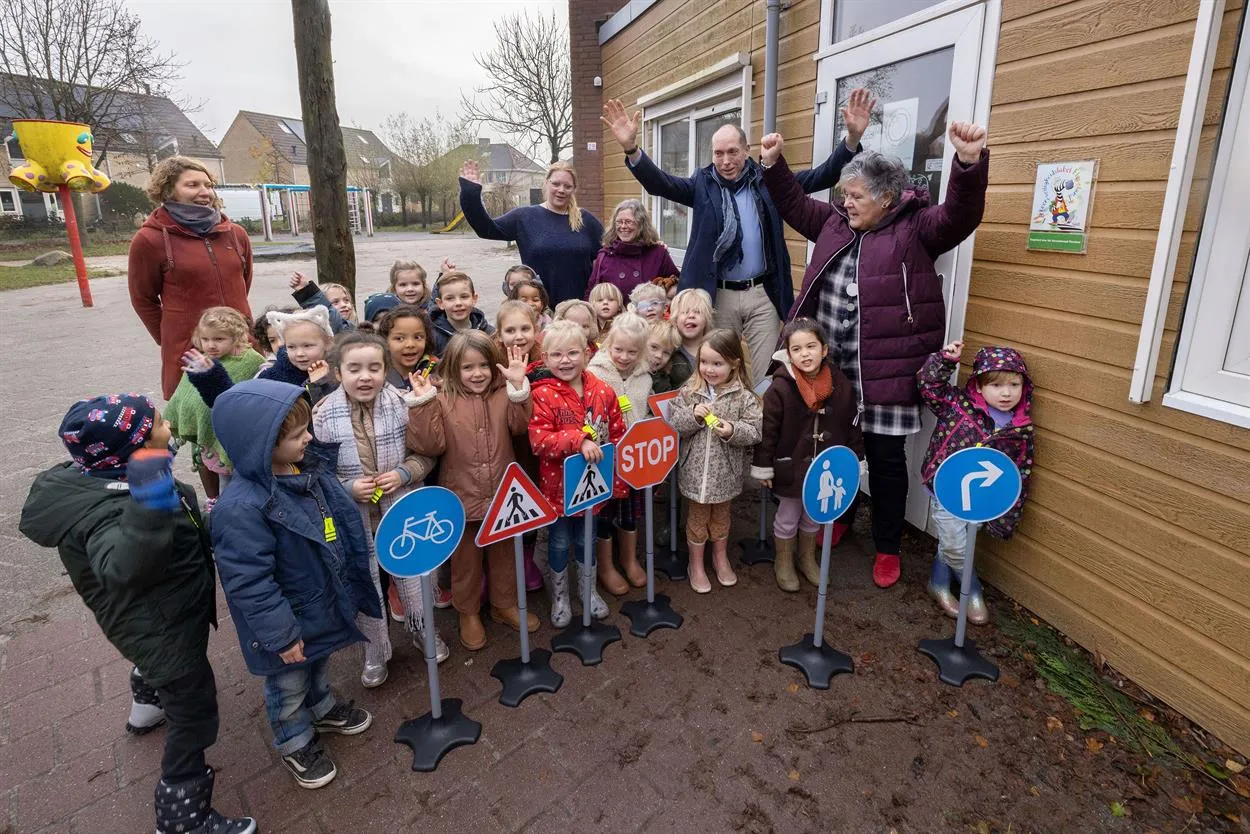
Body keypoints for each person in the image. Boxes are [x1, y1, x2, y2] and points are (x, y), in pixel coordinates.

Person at [759, 120, 990, 590]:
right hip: (833, 368)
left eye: (856, 196)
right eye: (844, 194)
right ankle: (840, 518)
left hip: (890, 369)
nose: (846, 202)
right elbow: (793, 203)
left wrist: (967, 165)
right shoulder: (834, 223)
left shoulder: (917, 227)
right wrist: (774, 164)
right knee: (834, 447)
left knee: (885, 459)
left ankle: (887, 547)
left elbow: (960, 216)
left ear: (885, 198)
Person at [20, 395, 257, 834]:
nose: (168, 428)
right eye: (159, 425)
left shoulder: (99, 476)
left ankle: (147, 704)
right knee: (194, 709)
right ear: (137, 450)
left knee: (159, 662)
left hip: (157, 617)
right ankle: (184, 816)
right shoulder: (116, 505)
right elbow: (126, 568)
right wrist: (150, 502)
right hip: (157, 623)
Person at [600, 90, 874, 386]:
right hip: (719, 295)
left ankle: (761, 416)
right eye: (718, 153)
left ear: (746, 151)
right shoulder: (702, 184)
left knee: (769, 371)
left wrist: (852, 139)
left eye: (732, 152)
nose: (726, 160)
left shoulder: (768, 180)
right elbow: (660, 184)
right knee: (719, 371)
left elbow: (822, 176)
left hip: (762, 293)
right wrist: (631, 149)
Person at [209, 380, 378, 789]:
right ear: (263, 443)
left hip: (319, 601)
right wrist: (281, 635)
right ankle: (294, 739)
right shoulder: (241, 508)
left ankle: (321, 707)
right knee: (287, 684)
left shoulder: (305, 470)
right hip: (288, 619)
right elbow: (249, 580)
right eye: (298, 434)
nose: (309, 439)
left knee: (319, 662)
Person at [311, 332, 445, 687]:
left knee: (414, 573)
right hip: (356, 520)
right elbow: (319, 473)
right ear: (338, 373)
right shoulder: (323, 415)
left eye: (374, 368)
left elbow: (426, 455)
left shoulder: (403, 404)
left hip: (402, 511)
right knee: (367, 584)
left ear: (386, 370)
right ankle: (375, 649)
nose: (365, 376)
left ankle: (422, 627)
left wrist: (404, 473)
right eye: (354, 369)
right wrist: (347, 488)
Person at [407, 333, 538, 650]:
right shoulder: (441, 399)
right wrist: (423, 405)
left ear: (495, 366)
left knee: (504, 556)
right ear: (453, 369)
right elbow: (430, 445)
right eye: (468, 367)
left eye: (483, 365)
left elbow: (520, 426)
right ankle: (468, 612)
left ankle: (503, 604)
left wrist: (518, 388)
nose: (477, 373)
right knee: (465, 563)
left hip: (503, 495)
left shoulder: (503, 394)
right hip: (460, 496)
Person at [918, 340, 1035, 624]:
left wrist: (1007, 516)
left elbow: (1020, 471)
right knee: (955, 544)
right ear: (979, 386)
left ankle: (938, 584)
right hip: (948, 491)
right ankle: (972, 589)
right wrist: (945, 361)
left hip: (982, 499)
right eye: (996, 385)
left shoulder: (1019, 429)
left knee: (960, 540)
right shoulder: (958, 405)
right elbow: (928, 386)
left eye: (1014, 385)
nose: (1006, 393)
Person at [750, 318, 863, 592]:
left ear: (824, 350)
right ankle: (784, 561)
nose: (805, 354)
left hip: (825, 466)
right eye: (797, 349)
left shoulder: (840, 384)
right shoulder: (780, 387)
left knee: (814, 514)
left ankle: (807, 558)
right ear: (788, 354)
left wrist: (855, 458)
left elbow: (851, 424)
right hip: (791, 466)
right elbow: (768, 430)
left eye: (811, 346)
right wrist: (764, 466)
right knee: (788, 515)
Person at [128, 156, 254, 399]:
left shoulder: (235, 234)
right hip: (191, 351)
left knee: (248, 407)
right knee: (194, 413)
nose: (204, 192)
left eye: (208, 185)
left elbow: (243, 282)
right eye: (192, 185)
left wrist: (236, 325)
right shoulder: (149, 239)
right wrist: (174, 338)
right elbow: (143, 299)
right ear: (168, 190)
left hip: (241, 345)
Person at [528, 320, 627, 626]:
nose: (565, 360)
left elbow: (616, 431)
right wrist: (577, 440)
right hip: (558, 489)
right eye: (557, 355)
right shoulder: (542, 394)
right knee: (559, 541)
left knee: (587, 539)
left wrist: (616, 478)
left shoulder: (602, 389)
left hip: (594, 487)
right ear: (545, 358)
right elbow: (539, 441)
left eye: (572, 353)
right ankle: (560, 597)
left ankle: (587, 591)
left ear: (587, 353)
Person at [668, 330, 763, 593]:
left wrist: (732, 430)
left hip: (726, 474)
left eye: (717, 363)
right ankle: (696, 564)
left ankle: (720, 558)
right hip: (695, 474)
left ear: (734, 363)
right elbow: (674, 423)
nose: (709, 369)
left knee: (721, 518)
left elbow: (755, 432)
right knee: (697, 520)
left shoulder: (743, 397)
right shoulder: (690, 391)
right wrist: (693, 416)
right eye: (704, 362)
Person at [459, 160, 605, 306]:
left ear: (574, 189)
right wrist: (470, 193)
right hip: (537, 310)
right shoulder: (525, 217)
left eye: (567, 186)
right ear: (546, 183)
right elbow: (486, 229)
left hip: (579, 310)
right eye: (556, 184)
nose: (561, 190)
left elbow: (608, 256)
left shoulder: (585, 220)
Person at [165, 307, 265, 510]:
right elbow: (185, 395)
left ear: (236, 337)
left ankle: (235, 508)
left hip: (233, 436)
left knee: (233, 480)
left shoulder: (251, 361)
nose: (210, 345)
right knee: (215, 473)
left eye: (219, 339)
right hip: (207, 438)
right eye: (205, 339)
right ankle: (218, 504)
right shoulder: (201, 359)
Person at [587, 312, 654, 592]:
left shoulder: (645, 377)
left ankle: (629, 559)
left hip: (634, 458)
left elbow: (646, 409)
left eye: (632, 352)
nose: (624, 357)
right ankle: (605, 566)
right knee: (605, 511)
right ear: (608, 344)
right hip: (605, 457)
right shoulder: (595, 373)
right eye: (618, 349)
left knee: (630, 511)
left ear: (641, 351)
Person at [496, 299, 546, 591]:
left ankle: (527, 557)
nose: (518, 336)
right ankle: (502, 563)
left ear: (536, 329)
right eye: (510, 330)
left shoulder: (545, 358)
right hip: (506, 441)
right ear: (499, 333)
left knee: (531, 496)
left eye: (525, 328)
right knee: (506, 499)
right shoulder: (493, 361)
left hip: (535, 444)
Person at [586, 198, 679, 299]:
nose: (623, 226)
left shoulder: (658, 253)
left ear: (641, 224)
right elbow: (591, 292)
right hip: (616, 310)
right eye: (619, 222)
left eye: (628, 222)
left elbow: (676, 284)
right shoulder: (605, 255)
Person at [430, 270, 495, 356]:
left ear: (474, 299)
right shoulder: (432, 337)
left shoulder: (490, 333)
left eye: (464, 297)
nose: (458, 303)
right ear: (440, 303)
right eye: (450, 298)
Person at [379, 304, 439, 392]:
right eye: (400, 338)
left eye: (418, 337)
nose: (410, 344)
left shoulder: (436, 371)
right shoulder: (378, 374)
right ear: (385, 341)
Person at [668, 288, 713, 389]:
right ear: (675, 319)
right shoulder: (669, 351)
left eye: (697, 312)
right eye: (685, 312)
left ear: (707, 319)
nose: (691, 315)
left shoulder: (716, 348)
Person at [646, 319, 681, 395]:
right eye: (654, 347)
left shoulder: (663, 386)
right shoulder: (625, 369)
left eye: (666, 353)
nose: (659, 355)